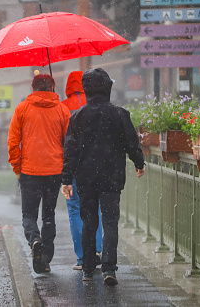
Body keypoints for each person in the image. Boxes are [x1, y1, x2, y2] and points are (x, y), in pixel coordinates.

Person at [61, 68, 145, 286]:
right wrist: (139, 163)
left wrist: (66, 179)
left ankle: (88, 269)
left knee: (89, 223)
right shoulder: (119, 114)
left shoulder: (77, 116)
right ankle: (109, 269)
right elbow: (131, 143)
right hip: (111, 177)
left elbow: (70, 149)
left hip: (86, 178)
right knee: (110, 223)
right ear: (107, 88)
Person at [8, 74, 71, 274]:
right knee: (49, 214)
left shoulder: (22, 109)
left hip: (29, 171)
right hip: (54, 170)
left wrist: (17, 168)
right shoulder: (62, 110)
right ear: (52, 87)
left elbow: (13, 142)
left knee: (29, 214)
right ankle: (45, 259)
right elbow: (68, 143)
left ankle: (34, 239)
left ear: (33, 88)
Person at [61, 71, 103, 270]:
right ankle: (96, 249)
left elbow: (63, 139)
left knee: (76, 210)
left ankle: (82, 257)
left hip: (73, 165)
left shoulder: (63, 107)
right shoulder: (96, 104)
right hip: (96, 164)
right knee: (96, 207)